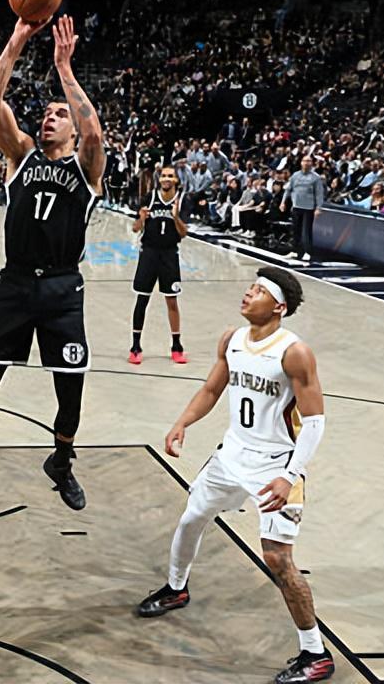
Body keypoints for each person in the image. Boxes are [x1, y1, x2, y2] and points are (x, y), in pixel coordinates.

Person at [135, 267, 334, 684]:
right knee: (191, 518)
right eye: (250, 287)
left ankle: (315, 653)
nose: (248, 293)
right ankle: (176, 588)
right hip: (231, 456)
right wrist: (182, 422)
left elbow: (315, 423)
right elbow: (212, 389)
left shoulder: (294, 352)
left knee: (278, 559)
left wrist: (290, 476)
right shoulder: (232, 339)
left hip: (275, 466)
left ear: (279, 307)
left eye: (259, 291)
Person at [0, 13, 104, 512]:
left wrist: (64, 68)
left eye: (60, 114)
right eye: (47, 112)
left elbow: (95, 133)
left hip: (62, 290)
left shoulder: (87, 167)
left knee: (70, 393)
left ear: (72, 128)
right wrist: (15, 41)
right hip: (14, 286)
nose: (49, 117)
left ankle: (62, 462)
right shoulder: (23, 155)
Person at [129, 164, 188, 365]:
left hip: (170, 254)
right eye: (163, 175)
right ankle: (135, 346)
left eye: (170, 176)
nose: (166, 179)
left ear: (176, 180)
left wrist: (175, 216)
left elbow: (183, 233)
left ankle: (176, 346)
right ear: (159, 178)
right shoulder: (149, 198)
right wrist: (141, 218)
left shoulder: (180, 201)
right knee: (142, 299)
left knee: (172, 301)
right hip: (149, 253)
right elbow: (135, 228)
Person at [283, 157, 325, 261]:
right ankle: (295, 251)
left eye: (309, 161)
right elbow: (288, 189)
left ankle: (308, 252)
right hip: (296, 206)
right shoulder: (295, 175)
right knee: (295, 230)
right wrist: (283, 202)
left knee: (306, 231)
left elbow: (319, 194)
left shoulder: (316, 177)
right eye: (305, 161)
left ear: (312, 163)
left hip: (308, 208)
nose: (306, 163)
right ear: (301, 163)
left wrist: (318, 208)